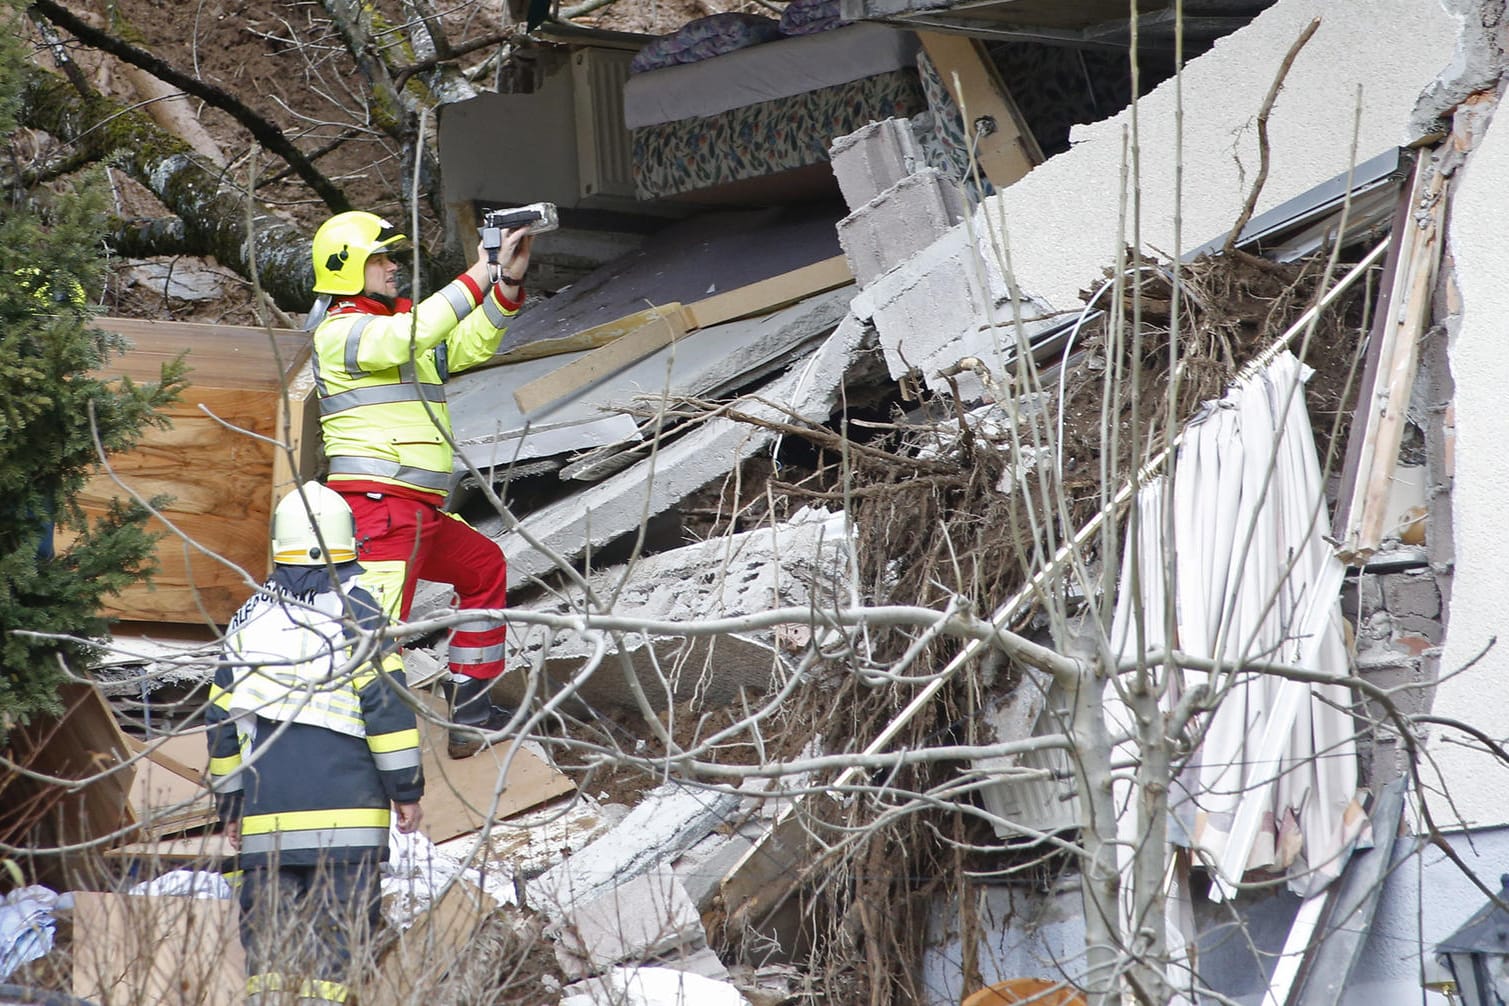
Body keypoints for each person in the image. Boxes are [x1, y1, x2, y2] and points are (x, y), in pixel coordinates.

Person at [307, 210, 532, 758]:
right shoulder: (342, 332)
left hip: (416, 510)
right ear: (346, 269)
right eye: (379, 259)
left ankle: (471, 716)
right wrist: (480, 270)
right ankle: (359, 759)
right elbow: (416, 332)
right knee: (379, 642)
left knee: (484, 569)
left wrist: (507, 284)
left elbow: (468, 345)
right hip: (378, 510)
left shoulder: (397, 328)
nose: (391, 268)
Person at [206, 482, 425, 1005]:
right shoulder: (360, 615)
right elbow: (386, 709)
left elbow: (221, 722)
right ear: (346, 546)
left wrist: (230, 806)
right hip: (347, 825)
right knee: (335, 953)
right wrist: (406, 789)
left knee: (270, 956)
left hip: (265, 822)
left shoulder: (246, 621)